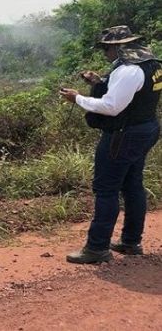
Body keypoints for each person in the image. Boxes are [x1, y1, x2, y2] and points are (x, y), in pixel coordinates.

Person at [60, 25, 161, 264]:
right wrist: (100, 81)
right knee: (132, 184)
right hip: (145, 128)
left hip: (123, 135)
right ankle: (130, 242)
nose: (105, 53)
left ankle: (97, 248)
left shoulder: (129, 71)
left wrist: (78, 98)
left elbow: (112, 106)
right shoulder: (150, 64)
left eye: (106, 48)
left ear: (118, 47)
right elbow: (134, 94)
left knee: (106, 189)